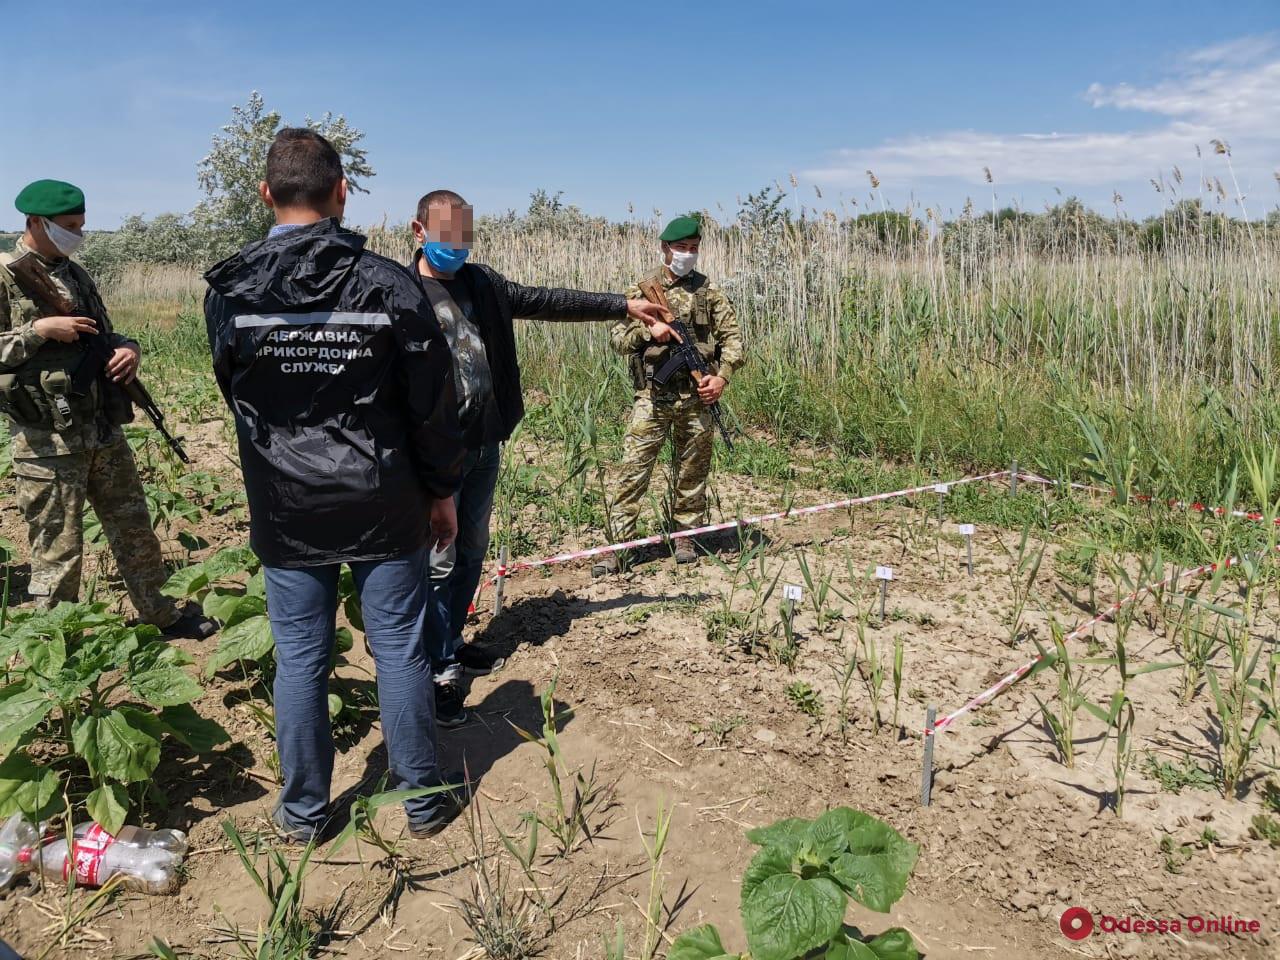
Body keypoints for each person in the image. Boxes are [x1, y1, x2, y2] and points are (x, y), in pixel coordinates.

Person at [204, 130, 467, 841]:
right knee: (401, 650)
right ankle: (421, 800)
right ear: (342, 191)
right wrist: (442, 491)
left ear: (265, 193)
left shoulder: (229, 291)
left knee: (300, 659)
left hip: (287, 508)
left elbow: (240, 394)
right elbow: (430, 407)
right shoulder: (390, 286)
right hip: (384, 503)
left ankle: (302, 814)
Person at [409, 190, 673, 727]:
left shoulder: (484, 284)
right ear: (419, 231)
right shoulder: (400, 292)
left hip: (485, 442)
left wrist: (623, 305)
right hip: (435, 454)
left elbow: (550, 300)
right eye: (444, 238)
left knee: (472, 549)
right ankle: (435, 669)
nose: (455, 248)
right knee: (435, 560)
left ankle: (454, 644)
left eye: (464, 238)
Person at [0, 180, 215, 639]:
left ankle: (161, 615)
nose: (79, 233)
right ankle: (59, 646)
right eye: (70, 226)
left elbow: (106, 334)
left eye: (81, 224)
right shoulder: (5, 273)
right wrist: (37, 331)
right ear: (37, 222)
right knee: (57, 550)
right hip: (47, 442)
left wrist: (128, 348)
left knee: (135, 528)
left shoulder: (75, 274)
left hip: (100, 429)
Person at [594, 214, 743, 576]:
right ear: (665, 248)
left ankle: (685, 536)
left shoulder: (709, 291)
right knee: (633, 470)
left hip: (696, 396)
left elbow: (733, 342)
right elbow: (618, 340)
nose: (687, 254)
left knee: (693, 470)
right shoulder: (640, 291)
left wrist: (721, 377)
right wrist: (650, 331)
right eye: (681, 248)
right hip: (652, 396)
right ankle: (618, 545)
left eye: (693, 249)